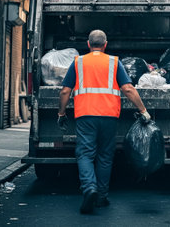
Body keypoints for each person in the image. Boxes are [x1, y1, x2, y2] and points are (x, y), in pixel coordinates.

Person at [58, 29, 151, 214]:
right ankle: (101, 197)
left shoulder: (78, 62)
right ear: (105, 44)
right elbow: (128, 89)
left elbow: (65, 91)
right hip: (109, 116)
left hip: (85, 116)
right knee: (105, 157)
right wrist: (143, 110)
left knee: (85, 154)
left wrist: (61, 113)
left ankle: (89, 188)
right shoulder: (114, 62)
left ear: (88, 44)